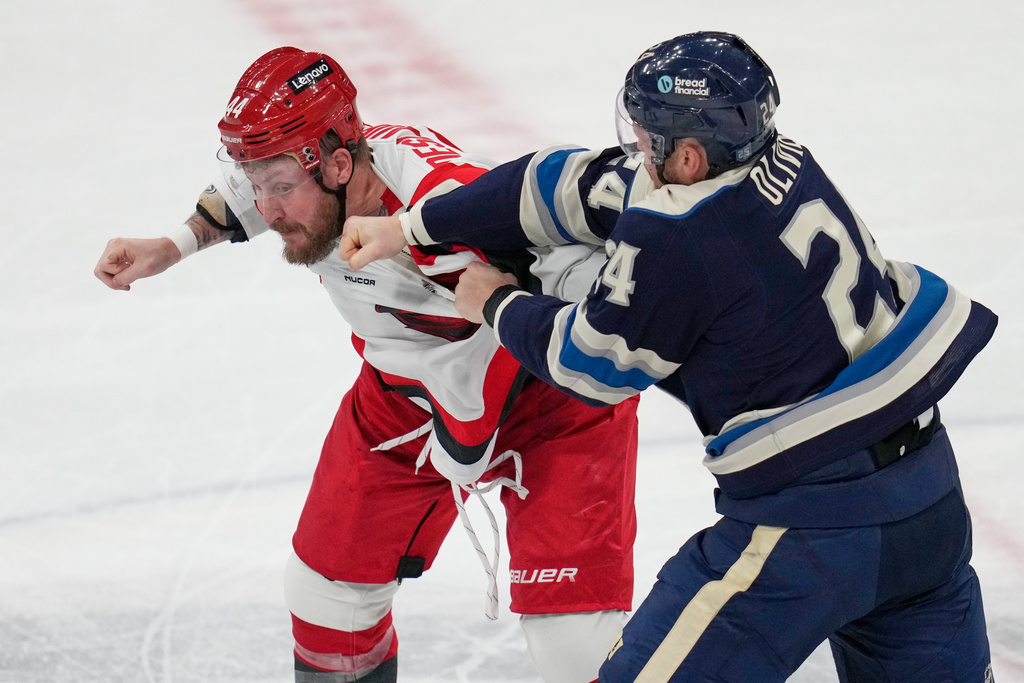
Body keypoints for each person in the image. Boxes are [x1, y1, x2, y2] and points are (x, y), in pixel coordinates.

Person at [340, 31, 998, 682]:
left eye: (650, 139)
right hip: (931, 505)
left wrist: (495, 302)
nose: (638, 152)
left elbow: (589, 365)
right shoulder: (783, 159)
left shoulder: (682, 232)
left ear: (688, 157)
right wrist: (410, 226)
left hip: (812, 531)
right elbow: (563, 182)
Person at [94, 47, 641, 683]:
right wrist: (174, 244)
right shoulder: (308, 178)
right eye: (259, 185)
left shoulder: (454, 204)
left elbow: (600, 290)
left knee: (575, 652)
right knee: (326, 600)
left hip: (552, 405)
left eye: (281, 189)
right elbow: (239, 194)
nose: (268, 212)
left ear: (339, 164)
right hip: (402, 400)